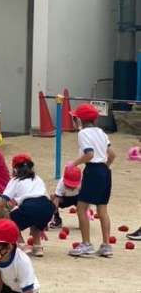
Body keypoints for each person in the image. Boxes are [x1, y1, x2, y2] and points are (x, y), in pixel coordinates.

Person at [68, 104, 116, 258]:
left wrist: (73, 164)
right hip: (105, 171)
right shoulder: (101, 132)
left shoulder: (83, 133)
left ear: (80, 120)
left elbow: (89, 154)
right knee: (102, 209)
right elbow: (112, 155)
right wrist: (105, 167)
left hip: (93, 170)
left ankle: (86, 244)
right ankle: (106, 245)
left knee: (81, 208)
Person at [0, 154, 55, 257]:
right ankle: (37, 247)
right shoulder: (38, 178)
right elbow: (45, 199)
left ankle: (21, 245)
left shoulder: (15, 180)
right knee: (35, 219)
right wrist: (42, 224)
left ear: (15, 169)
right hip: (48, 208)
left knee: (7, 215)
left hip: (30, 206)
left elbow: (2, 202)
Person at [49, 164, 81, 228]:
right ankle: (57, 220)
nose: (71, 188)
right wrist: (52, 215)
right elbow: (56, 199)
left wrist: (85, 212)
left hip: (78, 198)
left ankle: (82, 222)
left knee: (83, 205)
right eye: (69, 185)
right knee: (52, 198)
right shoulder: (61, 183)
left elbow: (86, 198)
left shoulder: (82, 182)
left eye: (73, 185)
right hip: (64, 199)